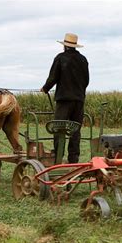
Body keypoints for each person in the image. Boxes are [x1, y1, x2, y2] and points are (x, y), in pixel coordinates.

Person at [40, 33, 89, 163]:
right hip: (79, 100)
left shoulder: (60, 58)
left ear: (65, 46)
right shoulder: (83, 60)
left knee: (59, 128)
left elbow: (53, 78)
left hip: (64, 100)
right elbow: (86, 81)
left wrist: (45, 88)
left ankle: (58, 156)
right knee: (75, 130)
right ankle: (74, 158)